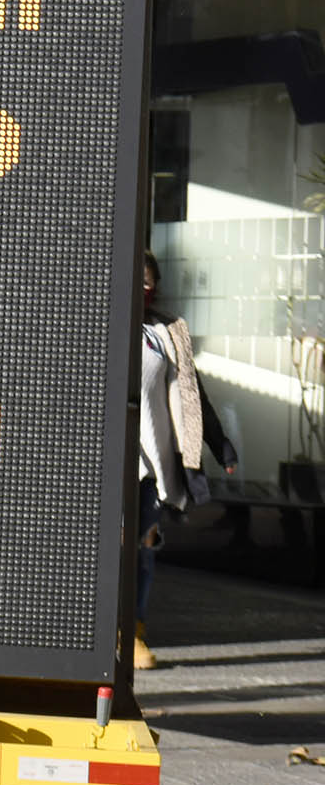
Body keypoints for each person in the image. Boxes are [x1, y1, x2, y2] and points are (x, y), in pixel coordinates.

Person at [136, 252, 232, 671]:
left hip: (152, 464)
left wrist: (219, 444)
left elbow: (193, 395)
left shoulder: (164, 332)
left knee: (143, 548)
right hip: (108, 464)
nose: (144, 288)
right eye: (136, 279)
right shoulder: (95, 318)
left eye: (149, 281)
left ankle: (133, 630)